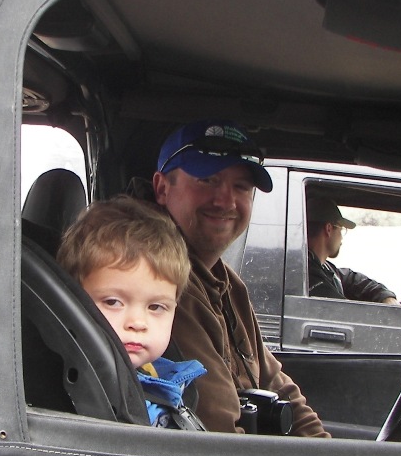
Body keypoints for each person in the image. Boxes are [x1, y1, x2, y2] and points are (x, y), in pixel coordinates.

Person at [152, 119, 330, 437]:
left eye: (241, 187)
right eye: (207, 179)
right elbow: (220, 435)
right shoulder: (161, 283)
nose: (226, 201)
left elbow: (274, 379)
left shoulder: (228, 284)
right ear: (163, 188)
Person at [56, 196, 207, 429]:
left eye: (156, 307)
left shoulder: (166, 377)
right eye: (113, 302)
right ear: (73, 301)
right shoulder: (88, 395)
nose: (137, 323)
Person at [306, 197, 399, 304]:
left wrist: (384, 296)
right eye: (341, 229)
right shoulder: (311, 278)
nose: (342, 238)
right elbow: (345, 313)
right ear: (329, 229)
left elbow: (349, 278)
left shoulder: (322, 267)